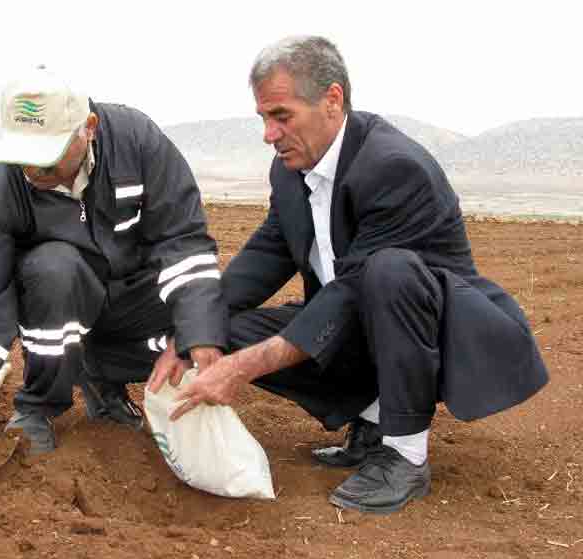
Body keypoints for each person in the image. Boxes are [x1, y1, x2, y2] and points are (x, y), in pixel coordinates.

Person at [167, 36, 548, 514]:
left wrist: (241, 369)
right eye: (263, 119)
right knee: (227, 330)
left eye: (281, 116)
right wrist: (193, 332)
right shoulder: (289, 171)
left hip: (438, 340)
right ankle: (372, 421)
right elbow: (264, 257)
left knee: (389, 273)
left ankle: (406, 455)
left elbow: (351, 291)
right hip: (358, 328)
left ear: (332, 100)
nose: (269, 134)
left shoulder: (394, 166)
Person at [0, 67, 227, 478]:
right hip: (66, 298)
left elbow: (184, 244)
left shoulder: (137, 142)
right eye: (24, 158)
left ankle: (102, 380)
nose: (34, 173)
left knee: (209, 309)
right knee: (51, 269)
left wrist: (195, 335)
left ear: (87, 129)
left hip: (137, 295)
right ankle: (38, 406)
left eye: (48, 159)